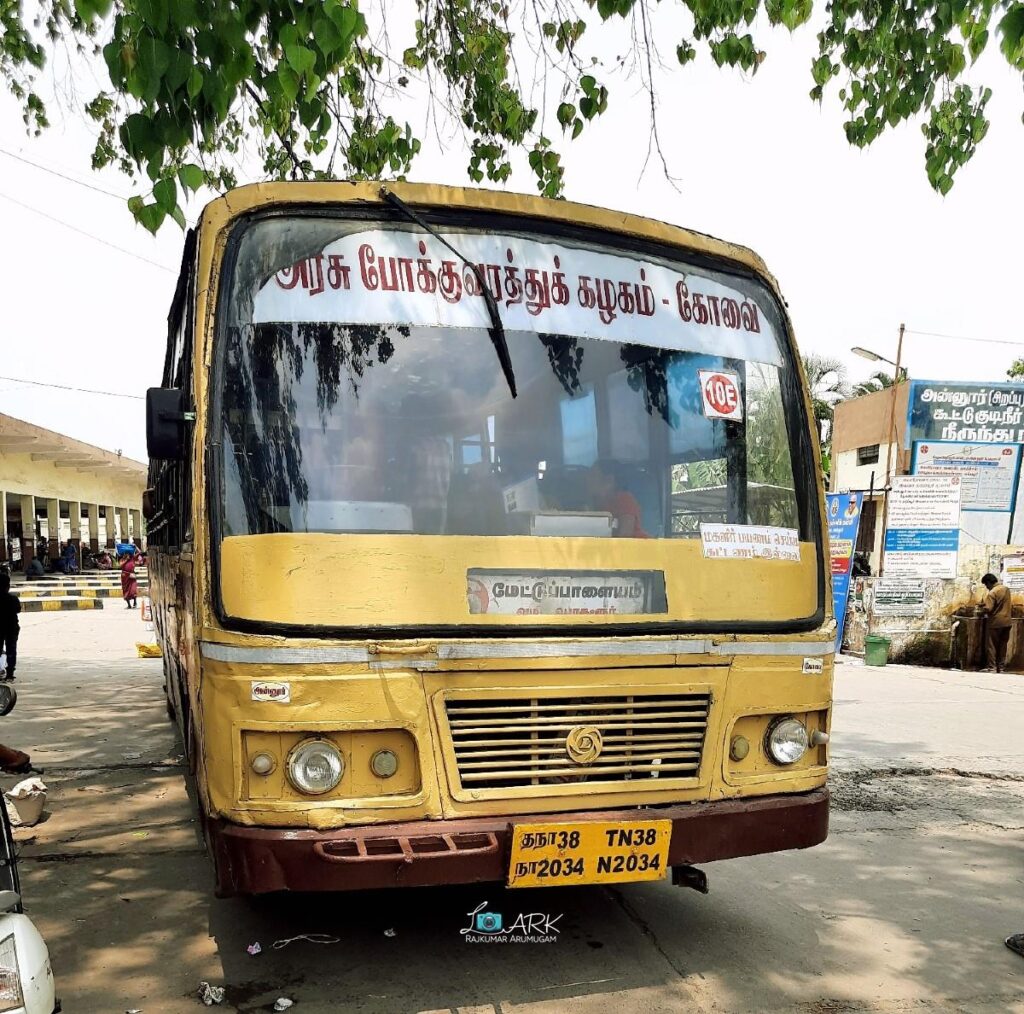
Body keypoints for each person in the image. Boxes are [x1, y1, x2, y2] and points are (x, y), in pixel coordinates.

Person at [587, 460, 650, 538]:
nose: (587, 480)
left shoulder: (624, 499)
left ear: (609, 480)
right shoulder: (595, 503)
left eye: (593, 476)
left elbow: (625, 534)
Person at [980, 572, 1013, 673]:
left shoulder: (992, 593)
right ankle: (1001, 667)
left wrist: (982, 608)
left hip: (995, 622)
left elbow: (989, 609)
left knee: (992, 646)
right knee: (1003, 646)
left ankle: (992, 667)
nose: (987, 587)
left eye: (986, 585)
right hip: (1007, 622)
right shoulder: (1006, 589)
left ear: (989, 583)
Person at [0, 572, 20, 682]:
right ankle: (10, 673)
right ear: (8, 586)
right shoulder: (13, 599)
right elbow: (18, 610)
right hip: (11, 627)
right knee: (11, 650)